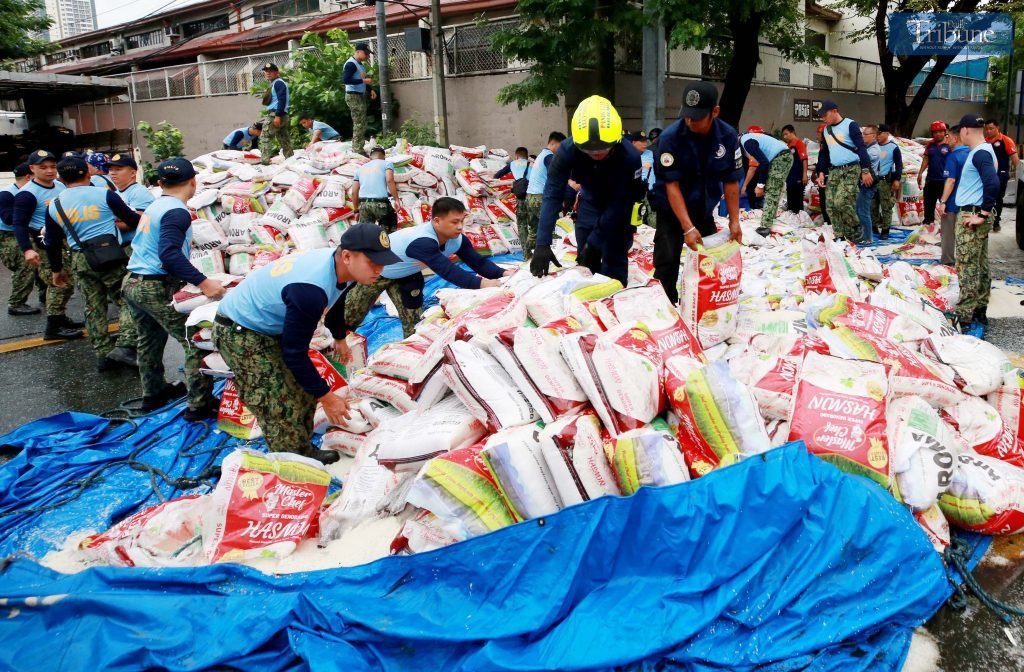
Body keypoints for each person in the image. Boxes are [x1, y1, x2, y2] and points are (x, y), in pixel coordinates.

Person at [214, 223, 400, 463]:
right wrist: (327, 397)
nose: (379, 269)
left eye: (382, 262)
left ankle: (303, 450)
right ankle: (291, 466)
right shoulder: (310, 290)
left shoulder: (345, 268)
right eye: (372, 262)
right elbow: (294, 353)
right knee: (278, 400)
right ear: (346, 256)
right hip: (241, 331)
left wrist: (340, 337)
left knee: (303, 389)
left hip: (271, 324)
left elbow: (337, 298)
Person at [122, 158, 226, 417]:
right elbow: (169, 254)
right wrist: (204, 282)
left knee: (148, 339)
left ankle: (153, 394)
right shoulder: (176, 212)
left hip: (133, 281)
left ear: (160, 183)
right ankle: (199, 403)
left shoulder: (156, 205)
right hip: (154, 286)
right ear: (194, 181)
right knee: (194, 340)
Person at [345, 197, 514, 337]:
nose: (460, 227)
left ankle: (410, 355)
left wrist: (504, 273)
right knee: (351, 314)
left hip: (408, 273)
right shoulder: (423, 241)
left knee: (415, 325)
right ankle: (338, 342)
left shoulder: (457, 239)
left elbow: (478, 262)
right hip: (377, 273)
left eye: (462, 221)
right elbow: (448, 271)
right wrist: (484, 284)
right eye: (455, 222)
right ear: (437, 221)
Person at [530, 95, 643, 285]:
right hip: (589, 204)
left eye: (603, 149)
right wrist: (542, 242)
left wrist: (596, 241)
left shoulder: (629, 156)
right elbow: (552, 194)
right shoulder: (567, 150)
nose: (596, 154)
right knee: (585, 266)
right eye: (589, 151)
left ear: (616, 140)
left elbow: (623, 201)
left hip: (618, 210)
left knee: (613, 266)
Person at [43, 157, 142, 371]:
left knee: (93, 306)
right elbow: (133, 220)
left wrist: (56, 271)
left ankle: (103, 355)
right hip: (110, 253)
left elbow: (51, 242)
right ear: (88, 174)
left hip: (81, 257)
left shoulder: (55, 204)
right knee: (126, 299)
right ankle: (125, 346)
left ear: (61, 178)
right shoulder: (105, 194)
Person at [650, 81, 743, 304]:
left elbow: (731, 182)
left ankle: (704, 305)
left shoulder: (727, 137)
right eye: (687, 115)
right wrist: (687, 227)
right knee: (667, 259)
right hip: (671, 209)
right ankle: (667, 304)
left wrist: (734, 221)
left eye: (698, 116)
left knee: (710, 258)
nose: (690, 121)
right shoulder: (670, 138)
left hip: (703, 207)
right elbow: (671, 186)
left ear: (715, 112)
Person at [11, 150, 83, 340]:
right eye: (43, 167)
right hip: (42, 243)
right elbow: (19, 224)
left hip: (64, 240)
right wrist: (27, 249)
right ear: (32, 169)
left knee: (68, 281)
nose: (49, 171)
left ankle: (60, 317)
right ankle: (53, 326)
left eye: (52, 167)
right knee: (58, 282)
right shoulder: (27, 194)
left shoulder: (60, 186)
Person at [946, 114, 998, 331]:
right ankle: (979, 309)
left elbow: (993, 183)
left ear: (966, 131)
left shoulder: (980, 154)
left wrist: (983, 214)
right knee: (980, 263)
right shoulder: (983, 151)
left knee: (967, 265)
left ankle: (965, 315)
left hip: (972, 215)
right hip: (976, 213)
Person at [107, 152, 154, 365]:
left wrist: (110, 219)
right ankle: (125, 343)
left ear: (133, 173)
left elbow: (134, 222)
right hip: (117, 249)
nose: (113, 174)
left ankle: (127, 345)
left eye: (118, 170)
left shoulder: (139, 193)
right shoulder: (114, 193)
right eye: (111, 170)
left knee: (129, 297)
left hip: (132, 250)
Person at [814, 100, 874, 242]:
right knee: (830, 205)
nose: (823, 118)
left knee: (841, 202)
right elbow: (824, 153)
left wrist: (865, 170)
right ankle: (839, 235)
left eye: (825, 115)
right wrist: (821, 172)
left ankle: (855, 226)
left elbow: (861, 148)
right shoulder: (826, 130)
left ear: (835, 111)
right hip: (834, 170)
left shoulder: (850, 125)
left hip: (851, 168)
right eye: (821, 116)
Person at [516, 132, 565, 261]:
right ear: (553, 143)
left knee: (533, 231)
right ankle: (549, 258)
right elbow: (556, 174)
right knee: (550, 229)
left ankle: (527, 258)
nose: (562, 150)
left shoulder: (540, 156)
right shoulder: (549, 157)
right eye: (561, 146)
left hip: (530, 197)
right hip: (540, 198)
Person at [0, 163, 40, 316]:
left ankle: (44, 293)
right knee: (25, 265)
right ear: (28, 177)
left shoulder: (31, 191)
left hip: (28, 231)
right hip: (8, 235)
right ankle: (17, 303)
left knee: (41, 260)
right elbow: (9, 219)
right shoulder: (7, 194)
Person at [740, 126, 793, 230]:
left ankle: (765, 227)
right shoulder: (747, 139)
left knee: (771, 191)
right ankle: (769, 220)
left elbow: (764, 163)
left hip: (780, 157)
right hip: (781, 157)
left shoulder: (746, 143)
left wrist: (760, 185)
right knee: (773, 190)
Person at [936, 125, 967, 266]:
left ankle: (947, 261)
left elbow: (950, 181)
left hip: (953, 202)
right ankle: (964, 261)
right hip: (969, 203)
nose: (946, 139)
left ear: (955, 138)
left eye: (948, 136)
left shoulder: (953, 156)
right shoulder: (973, 153)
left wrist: (943, 201)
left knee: (948, 234)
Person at [350, 146, 399, 232]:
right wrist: (396, 199)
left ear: (370, 156)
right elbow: (389, 180)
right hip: (381, 204)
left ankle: (367, 245)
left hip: (364, 204)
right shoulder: (387, 164)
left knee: (366, 233)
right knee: (388, 231)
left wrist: (356, 210)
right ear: (384, 156)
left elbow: (354, 192)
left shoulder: (360, 169)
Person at [982, 119, 1018, 233]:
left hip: (1001, 174)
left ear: (997, 128)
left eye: (991, 129)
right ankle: (985, 220)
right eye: (986, 129)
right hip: (986, 174)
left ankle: (996, 222)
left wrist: (1017, 173)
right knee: (986, 197)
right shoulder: (984, 142)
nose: (988, 131)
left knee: (997, 198)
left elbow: (1015, 159)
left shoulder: (1006, 140)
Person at [343, 42, 374, 155]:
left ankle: (358, 146)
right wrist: (364, 81)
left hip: (360, 95)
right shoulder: (350, 64)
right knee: (359, 122)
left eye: (368, 54)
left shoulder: (361, 65)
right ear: (358, 52)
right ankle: (357, 149)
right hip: (353, 95)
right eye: (366, 53)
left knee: (362, 122)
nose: (367, 56)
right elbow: (346, 80)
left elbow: (364, 78)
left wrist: (370, 89)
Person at [872, 124, 903, 240]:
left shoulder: (893, 147)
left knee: (886, 206)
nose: (878, 136)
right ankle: (873, 227)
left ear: (887, 133)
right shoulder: (873, 146)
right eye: (876, 133)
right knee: (872, 206)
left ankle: (885, 230)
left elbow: (899, 165)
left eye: (880, 133)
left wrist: (897, 179)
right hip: (873, 181)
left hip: (885, 181)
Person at [917, 121, 950, 226]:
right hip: (931, 180)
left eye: (940, 132)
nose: (938, 134)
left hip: (944, 181)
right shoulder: (930, 144)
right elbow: (926, 159)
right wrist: (920, 173)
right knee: (928, 205)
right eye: (935, 132)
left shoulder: (949, 144)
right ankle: (928, 227)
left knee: (946, 206)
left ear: (945, 132)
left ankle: (946, 229)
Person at [260, 63, 291, 165]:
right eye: (266, 71)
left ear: (277, 73)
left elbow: (282, 100)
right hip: (282, 114)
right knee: (283, 139)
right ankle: (290, 159)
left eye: (271, 71)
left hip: (276, 114)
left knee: (265, 137)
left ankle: (265, 161)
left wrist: (277, 116)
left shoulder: (278, 83)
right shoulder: (276, 83)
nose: (268, 73)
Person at [856, 125, 882, 243]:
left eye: (865, 134)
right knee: (860, 209)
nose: (863, 136)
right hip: (864, 183)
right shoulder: (868, 147)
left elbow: (862, 159)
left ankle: (868, 237)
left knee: (863, 210)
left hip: (869, 184)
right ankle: (864, 234)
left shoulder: (874, 150)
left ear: (874, 136)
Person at [780, 125, 809, 214]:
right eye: (783, 135)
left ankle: (800, 219)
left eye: (786, 134)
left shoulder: (799, 143)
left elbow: (804, 159)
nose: (785, 137)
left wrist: (804, 174)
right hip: (790, 177)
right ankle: (791, 219)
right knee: (790, 199)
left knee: (797, 200)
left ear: (792, 132)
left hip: (798, 176)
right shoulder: (788, 145)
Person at [812, 124, 831, 225]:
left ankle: (831, 225)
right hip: (822, 178)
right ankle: (827, 224)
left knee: (828, 204)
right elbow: (820, 163)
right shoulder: (822, 147)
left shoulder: (828, 147)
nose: (817, 136)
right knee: (823, 203)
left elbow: (825, 163)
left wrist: (821, 174)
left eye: (819, 133)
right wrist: (816, 172)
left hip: (827, 178)